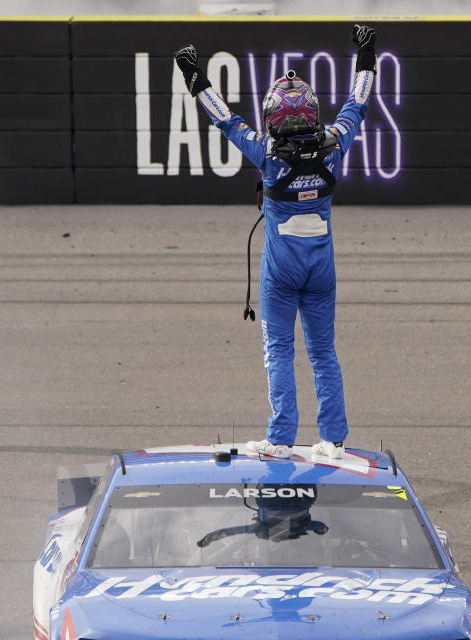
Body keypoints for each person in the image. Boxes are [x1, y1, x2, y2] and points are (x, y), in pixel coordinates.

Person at [173, 25, 377, 460]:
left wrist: (194, 74)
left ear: (273, 118)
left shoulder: (264, 152)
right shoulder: (335, 145)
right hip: (322, 267)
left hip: (280, 270)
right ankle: (335, 441)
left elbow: (223, 117)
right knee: (323, 352)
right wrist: (367, 52)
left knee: (279, 351)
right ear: (312, 113)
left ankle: (281, 439)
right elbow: (358, 101)